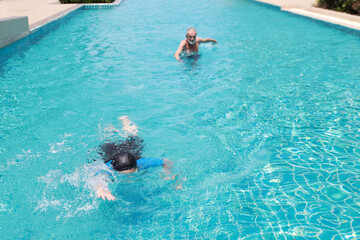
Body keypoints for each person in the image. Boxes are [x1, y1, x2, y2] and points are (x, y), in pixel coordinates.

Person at [91, 116, 179, 201]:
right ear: (114, 169)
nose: (129, 179)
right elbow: (98, 179)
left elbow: (166, 161)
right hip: (110, 151)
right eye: (124, 175)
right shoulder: (108, 168)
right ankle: (109, 124)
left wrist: (168, 174)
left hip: (130, 149)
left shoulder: (143, 163)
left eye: (133, 173)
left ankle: (125, 119)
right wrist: (102, 189)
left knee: (134, 135)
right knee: (108, 138)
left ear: (137, 166)